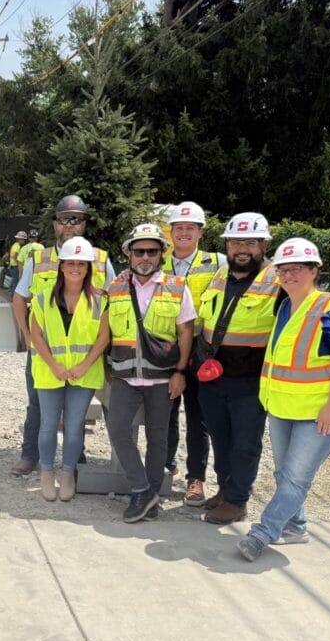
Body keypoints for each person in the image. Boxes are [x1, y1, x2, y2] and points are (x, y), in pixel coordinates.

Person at [197, 213, 330, 524]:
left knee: (244, 441)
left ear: (264, 244)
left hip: (250, 378)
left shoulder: (279, 279)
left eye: (250, 242)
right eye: (235, 242)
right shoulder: (220, 275)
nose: (241, 249)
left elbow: (318, 300)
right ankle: (225, 489)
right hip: (214, 375)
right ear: (227, 246)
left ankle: (237, 500)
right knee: (220, 437)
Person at [236, 238, 330, 561]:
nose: (289, 274)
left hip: (321, 410)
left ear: (314, 271)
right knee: (284, 473)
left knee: (296, 477)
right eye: (284, 269)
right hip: (283, 405)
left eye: (298, 269)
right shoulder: (284, 305)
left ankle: (263, 533)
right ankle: (296, 527)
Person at [11, 195, 114, 477]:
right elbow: (19, 299)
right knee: (38, 406)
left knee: (76, 411)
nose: (70, 225)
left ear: (84, 224)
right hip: (46, 355)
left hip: (84, 355)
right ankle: (30, 456)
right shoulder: (40, 258)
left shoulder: (101, 259)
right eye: (64, 219)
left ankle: (74, 460)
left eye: (76, 219)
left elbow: (114, 302)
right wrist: (29, 338)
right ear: (55, 224)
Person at [106, 224, 195, 523]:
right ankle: (142, 489)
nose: (145, 256)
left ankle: (150, 497)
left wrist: (181, 372)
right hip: (125, 377)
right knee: (118, 431)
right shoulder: (115, 286)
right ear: (129, 254)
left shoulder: (178, 286)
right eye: (139, 251)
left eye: (152, 251)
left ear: (161, 254)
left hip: (161, 378)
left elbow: (185, 332)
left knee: (158, 438)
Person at [28, 237, 110, 501]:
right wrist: (54, 365)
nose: (76, 267)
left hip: (84, 373)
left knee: (75, 427)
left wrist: (84, 365)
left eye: (81, 264)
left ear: (88, 269)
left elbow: (103, 338)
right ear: (61, 266)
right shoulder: (42, 299)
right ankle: (46, 474)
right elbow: (36, 335)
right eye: (71, 263)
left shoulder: (100, 300)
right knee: (48, 426)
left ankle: (67, 474)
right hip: (49, 371)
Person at [162, 201, 223, 505]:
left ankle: (195, 479)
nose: (184, 233)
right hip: (166, 349)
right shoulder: (157, 263)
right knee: (166, 412)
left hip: (202, 350)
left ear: (200, 232)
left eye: (190, 228)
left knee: (199, 418)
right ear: (170, 232)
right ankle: (165, 465)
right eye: (179, 228)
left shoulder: (218, 262)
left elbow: (261, 274)